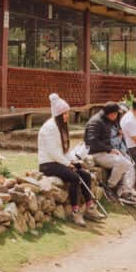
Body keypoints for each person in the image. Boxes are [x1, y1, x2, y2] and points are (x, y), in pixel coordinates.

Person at [37, 94, 104, 227]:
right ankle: (75, 211)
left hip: (58, 161)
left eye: (68, 113)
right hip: (47, 164)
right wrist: (68, 164)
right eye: (65, 113)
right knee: (74, 177)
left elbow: (65, 151)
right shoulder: (50, 127)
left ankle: (90, 207)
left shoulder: (60, 126)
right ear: (58, 115)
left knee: (84, 174)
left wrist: (74, 162)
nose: (68, 115)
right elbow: (53, 152)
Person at [84, 103, 136, 203]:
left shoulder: (107, 120)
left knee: (129, 165)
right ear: (111, 113)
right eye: (116, 114)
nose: (117, 116)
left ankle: (125, 192)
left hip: (105, 152)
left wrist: (112, 149)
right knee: (121, 162)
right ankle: (109, 187)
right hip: (94, 154)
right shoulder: (95, 122)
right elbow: (92, 142)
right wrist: (109, 149)